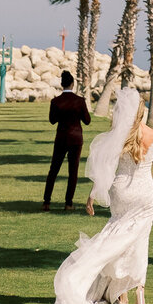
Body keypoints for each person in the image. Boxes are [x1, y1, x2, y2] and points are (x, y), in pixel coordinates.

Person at [52, 87, 153, 304]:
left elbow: (106, 169)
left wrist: (92, 195)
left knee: (115, 239)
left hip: (121, 193)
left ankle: (119, 294)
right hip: (144, 195)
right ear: (142, 113)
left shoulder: (119, 135)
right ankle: (138, 294)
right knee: (139, 241)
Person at [43, 70, 91, 211]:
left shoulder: (56, 101)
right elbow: (87, 121)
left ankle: (46, 202)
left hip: (61, 138)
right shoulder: (80, 101)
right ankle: (68, 203)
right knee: (73, 171)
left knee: (54, 170)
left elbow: (52, 120)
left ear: (62, 84)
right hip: (75, 139)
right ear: (72, 84)